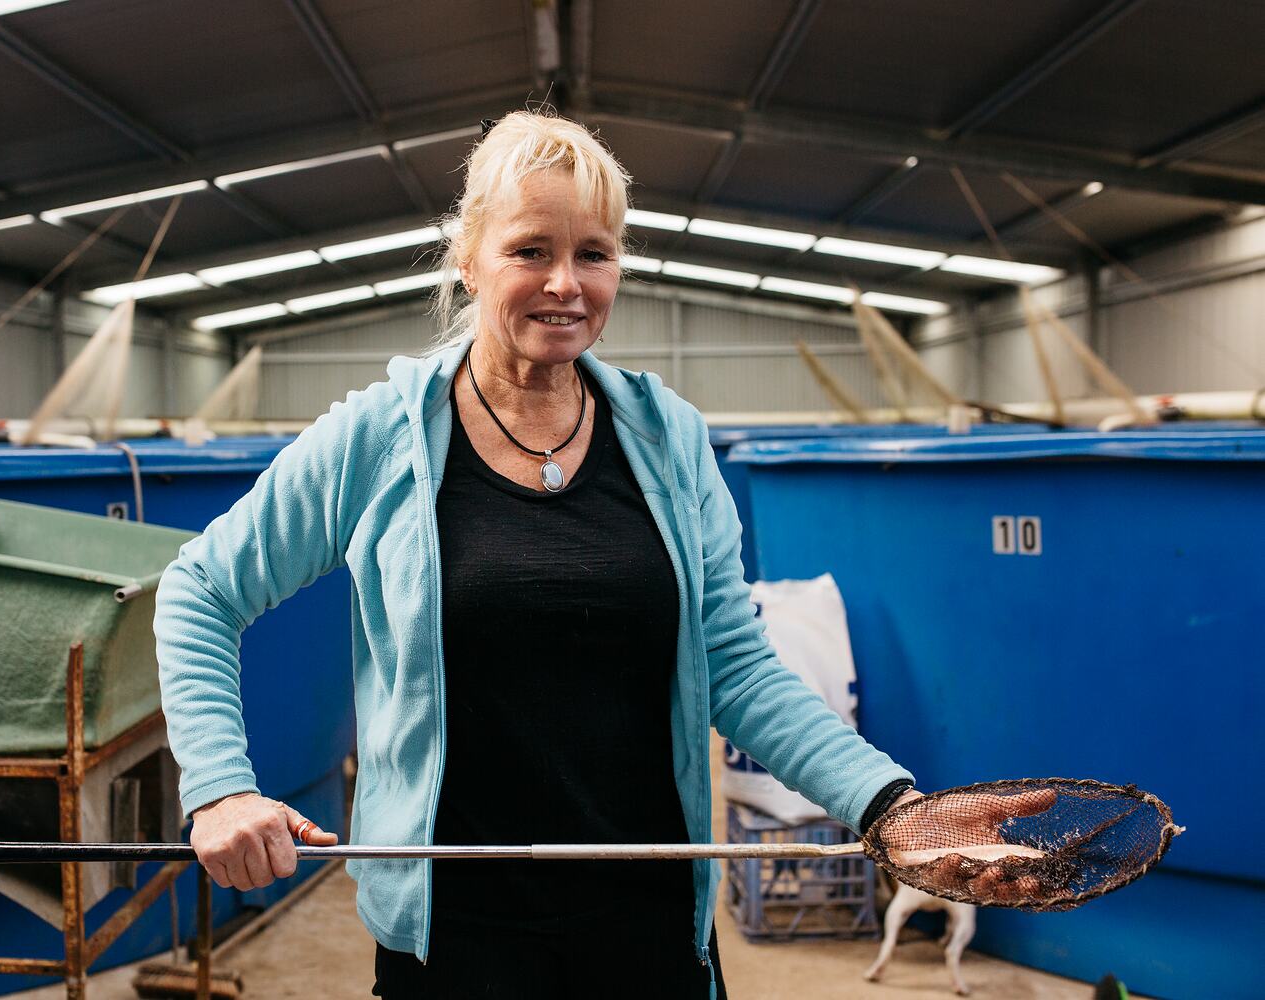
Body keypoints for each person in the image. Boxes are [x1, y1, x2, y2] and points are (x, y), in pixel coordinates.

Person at [154, 110, 1022, 1000]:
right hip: (455, 938)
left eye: (595, 254)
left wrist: (895, 807)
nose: (566, 284)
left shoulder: (669, 438)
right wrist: (221, 787)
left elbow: (736, 665)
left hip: (647, 924)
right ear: (469, 258)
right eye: (530, 250)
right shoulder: (382, 438)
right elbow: (200, 588)